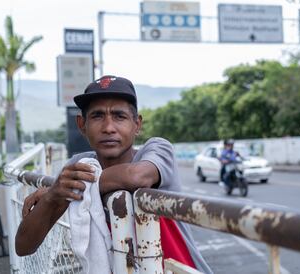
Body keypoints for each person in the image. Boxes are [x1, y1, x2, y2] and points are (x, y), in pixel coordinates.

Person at [15, 75, 212, 273]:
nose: (109, 128)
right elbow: (23, 247)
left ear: (137, 124)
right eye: (97, 116)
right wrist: (52, 196)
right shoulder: (80, 165)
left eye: (119, 116)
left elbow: (135, 177)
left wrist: (72, 188)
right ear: (82, 125)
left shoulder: (156, 150)